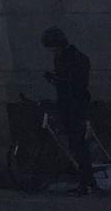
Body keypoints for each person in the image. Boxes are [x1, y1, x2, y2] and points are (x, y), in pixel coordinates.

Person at [41, 26, 96, 194]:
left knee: (78, 144)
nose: (52, 52)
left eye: (52, 48)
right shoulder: (62, 57)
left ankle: (85, 183)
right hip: (67, 104)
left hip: (76, 105)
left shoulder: (74, 58)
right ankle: (87, 181)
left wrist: (56, 80)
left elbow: (74, 83)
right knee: (75, 143)